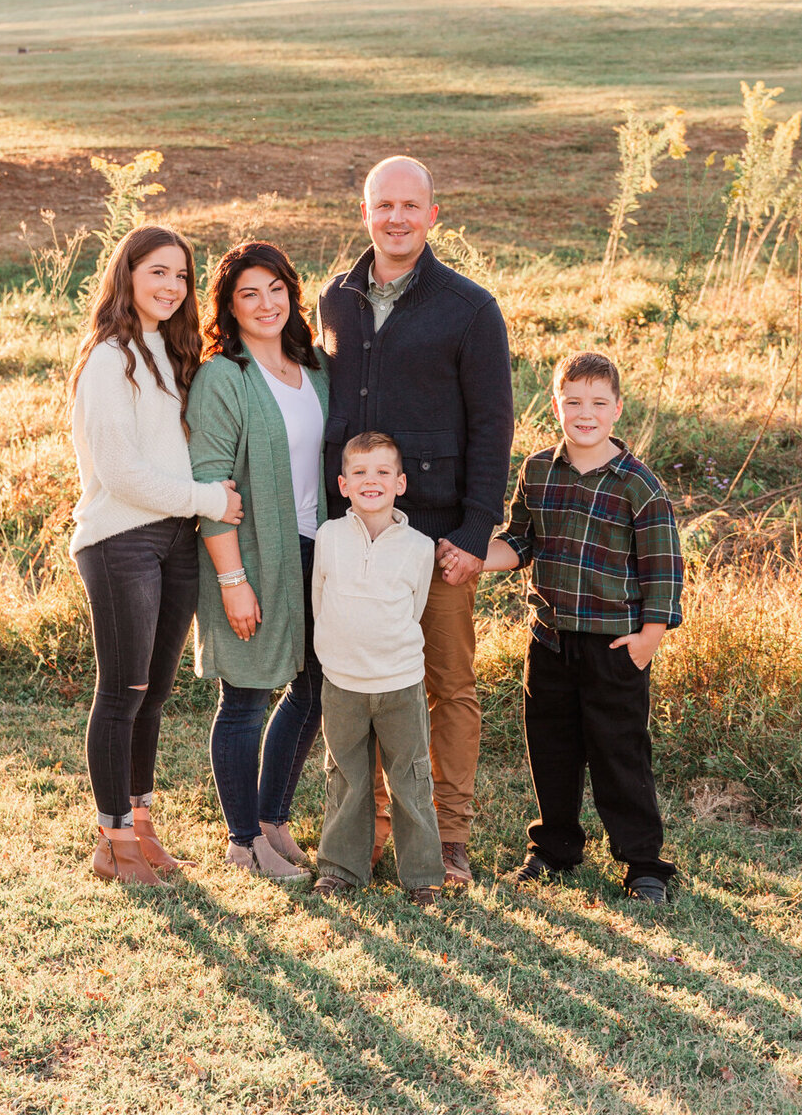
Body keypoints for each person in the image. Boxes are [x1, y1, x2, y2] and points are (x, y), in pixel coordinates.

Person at [317, 155, 514, 887]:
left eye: (410, 205)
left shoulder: (469, 308)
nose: (395, 218)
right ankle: (365, 835)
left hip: (435, 542)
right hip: (354, 535)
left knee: (447, 686)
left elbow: (493, 427)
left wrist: (471, 535)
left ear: (434, 215)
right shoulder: (334, 299)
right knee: (359, 679)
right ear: (365, 213)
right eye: (382, 205)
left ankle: (449, 838)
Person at [446, 350, 683, 903]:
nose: (585, 413)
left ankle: (644, 862)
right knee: (550, 748)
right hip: (549, 639)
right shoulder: (537, 470)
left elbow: (663, 571)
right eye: (573, 401)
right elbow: (521, 541)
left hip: (614, 644)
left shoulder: (638, 485)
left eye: (598, 403)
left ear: (617, 409)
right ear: (556, 403)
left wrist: (649, 638)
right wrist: (474, 554)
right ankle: (555, 848)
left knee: (618, 752)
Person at [69, 225, 243, 886]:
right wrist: (207, 499)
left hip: (174, 539)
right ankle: (110, 842)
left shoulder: (169, 353)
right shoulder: (110, 360)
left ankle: (141, 828)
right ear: (127, 275)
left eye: (182, 277)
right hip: (121, 539)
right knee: (123, 692)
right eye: (158, 273)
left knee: (155, 693)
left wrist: (195, 508)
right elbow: (119, 473)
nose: (172, 287)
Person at [188, 240, 330, 882]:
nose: (266, 303)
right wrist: (232, 581)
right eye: (249, 293)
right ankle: (242, 841)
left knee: (314, 687)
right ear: (229, 305)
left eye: (276, 289)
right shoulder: (225, 375)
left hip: (316, 550)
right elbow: (209, 480)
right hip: (248, 554)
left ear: (291, 294)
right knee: (245, 694)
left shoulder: (314, 366)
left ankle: (272, 819)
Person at [311, 433, 447, 907]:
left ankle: (424, 875)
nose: (372, 481)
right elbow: (319, 602)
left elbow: (416, 608)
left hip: (400, 683)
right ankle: (340, 868)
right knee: (346, 777)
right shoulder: (328, 537)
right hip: (342, 683)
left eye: (383, 472)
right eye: (361, 473)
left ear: (401, 482)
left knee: (410, 778)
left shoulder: (418, 546)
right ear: (343, 484)